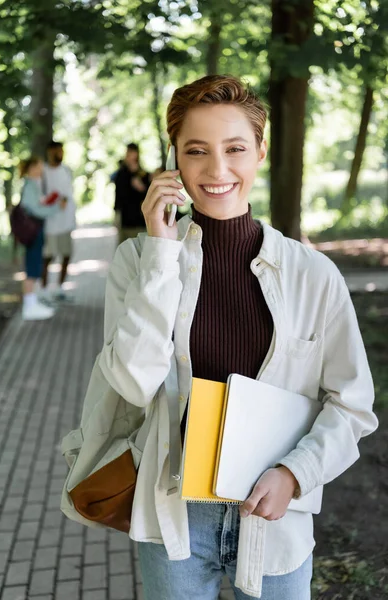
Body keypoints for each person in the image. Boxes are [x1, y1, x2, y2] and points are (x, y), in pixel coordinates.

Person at [98, 76, 378, 599]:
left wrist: (296, 475)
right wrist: (162, 257)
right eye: (196, 151)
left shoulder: (312, 275)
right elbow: (132, 384)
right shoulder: (137, 262)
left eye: (235, 149)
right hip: (173, 517)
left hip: (276, 519)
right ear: (174, 159)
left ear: (260, 152)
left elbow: (352, 404)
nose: (217, 169)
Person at [18, 157, 66, 320]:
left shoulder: (33, 184)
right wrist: (55, 208)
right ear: (32, 168)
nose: (42, 169)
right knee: (32, 266)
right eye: (39, 166)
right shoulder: (29, 185)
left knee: (35, 263)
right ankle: (29, 306)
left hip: (36, 230)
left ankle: (33, 302)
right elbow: (34, 209)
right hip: (33, 231)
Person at [41, 140, 76, 301]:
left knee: (66, 254)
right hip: (50, 222)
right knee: (48, 257)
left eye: (61, 151)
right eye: (57, 151)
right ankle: (44, 289)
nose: (60, 154)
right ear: (50, 152)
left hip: (66, 221)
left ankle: (60, 288)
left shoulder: (66, 170)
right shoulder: (44, 172)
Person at [113, 143, 150, 243]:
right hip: (124, 218)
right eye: (128, 152)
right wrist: (116, 211)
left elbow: (148, 194)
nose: (129, 155)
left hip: (138, 219)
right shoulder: (122, 173)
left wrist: (141, 188)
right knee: (123, 248)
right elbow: (118, 192)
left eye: (132, 152)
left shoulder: (143, 174)